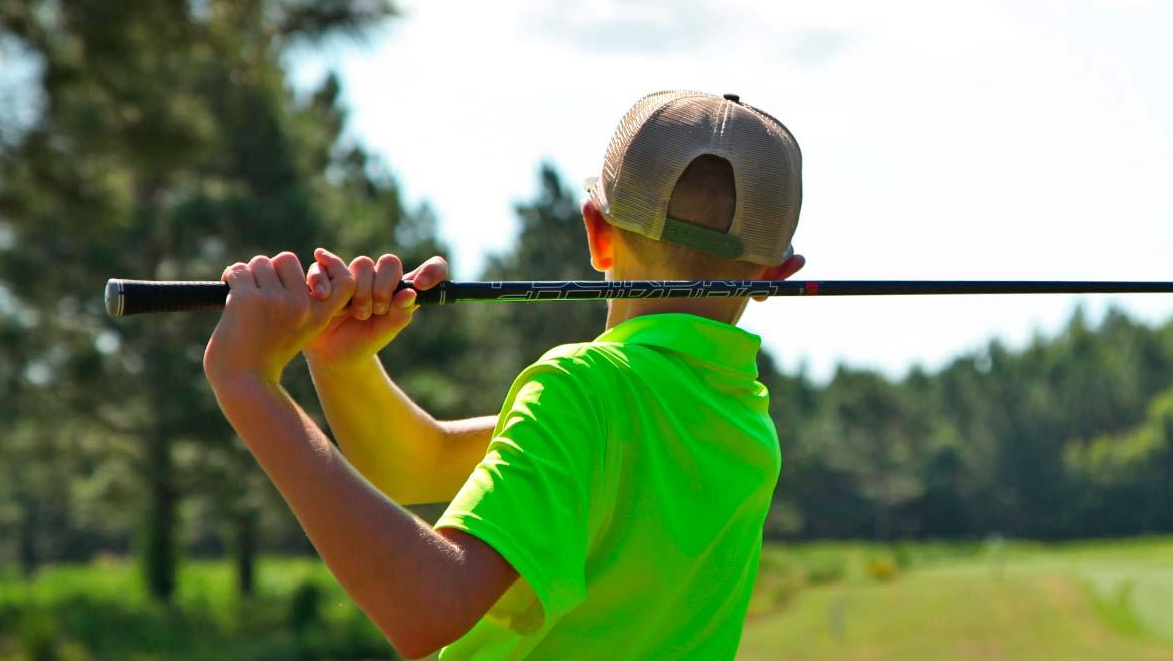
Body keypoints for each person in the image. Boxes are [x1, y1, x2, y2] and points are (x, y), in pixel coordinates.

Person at [200, 91, 807, 659]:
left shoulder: (587, 389)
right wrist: (343, 362)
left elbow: (425, 605)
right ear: (777, 275)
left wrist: (249, 383)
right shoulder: (744, 421)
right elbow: (418, 464)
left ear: (596, 232)